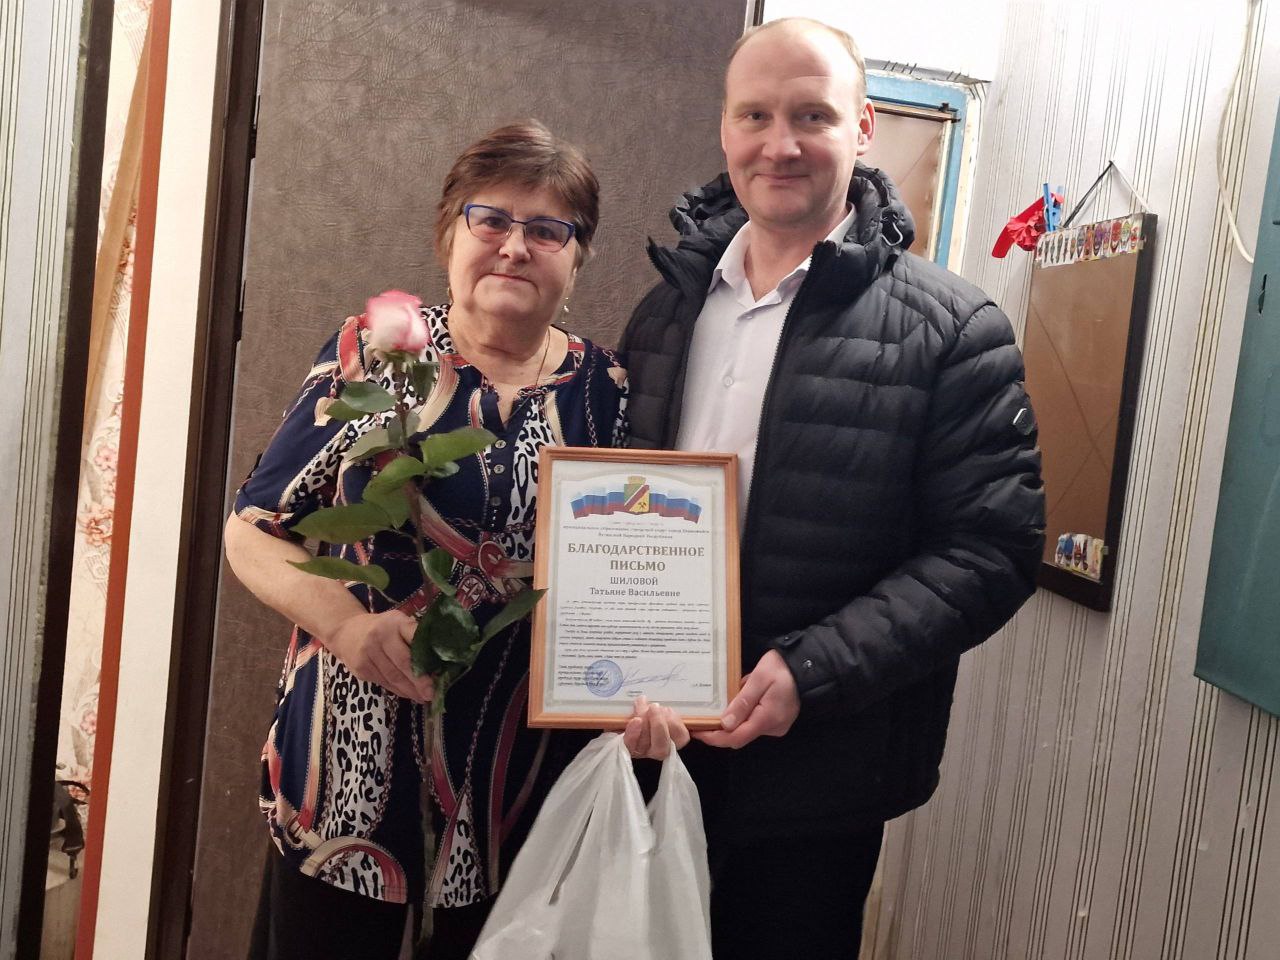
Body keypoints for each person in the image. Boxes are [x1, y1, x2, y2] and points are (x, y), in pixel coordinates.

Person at [620, 17, 1045, 959]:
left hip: (817, 782)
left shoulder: (954, 328)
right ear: (725, 129)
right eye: (755, 115)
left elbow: (993, 550)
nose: (780, 144)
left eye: (811, 115)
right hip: (658, 755)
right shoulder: (665, 310)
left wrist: (811, 671)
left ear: (862, 128)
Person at [227, 120, 670, 960]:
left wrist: (652, 694)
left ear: (578, 259)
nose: (515, 247)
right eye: (490, 219)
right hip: (350, 781)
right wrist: (349, 626)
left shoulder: (608, 394)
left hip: (513, 795)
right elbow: (253, 531)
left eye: (548, 230)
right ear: (449, 235)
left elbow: (634, 577)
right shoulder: (376, 357)